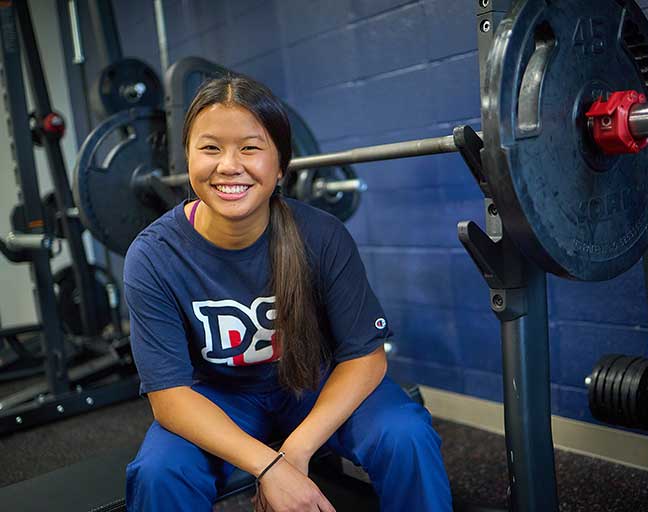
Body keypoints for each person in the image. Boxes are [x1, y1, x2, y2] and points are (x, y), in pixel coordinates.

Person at [123, 75, 453, 511]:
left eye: (250, 148)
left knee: (406, 435)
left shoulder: (321, 236)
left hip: (311, 385)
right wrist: (269, 467)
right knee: (158, 473)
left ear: (280, 166)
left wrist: (296, 451)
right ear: (188, 157)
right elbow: (170, 398)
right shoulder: (153, 256)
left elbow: (366, 356)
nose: (228, 165)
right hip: (218, 398)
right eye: (210, 148)